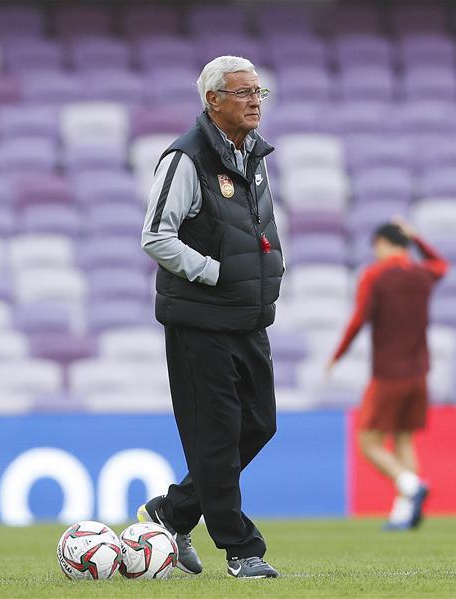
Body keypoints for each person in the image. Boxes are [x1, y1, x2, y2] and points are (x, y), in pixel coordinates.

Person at [139, 56, 285, 579]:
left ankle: (174, 513)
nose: (254, 102)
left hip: (248, 317)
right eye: (243, 93)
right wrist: (213, 273)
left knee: (260, 424)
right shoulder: (185, 157)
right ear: (213, 100)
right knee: (217, 437)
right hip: (201, 319)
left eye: (258, 92)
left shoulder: (254, 153)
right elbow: (156, 235)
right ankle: (241, 550)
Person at [327, 219, 448, 530]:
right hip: (419, 373)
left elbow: (358, 320)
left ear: (382, 243)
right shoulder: (422, 274)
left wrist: (337, 356)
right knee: (404, 439)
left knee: (368, 442)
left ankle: (411, 486)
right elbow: (442, 265)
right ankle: (404, 513)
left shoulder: (375, 276)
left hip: (387, 375)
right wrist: (417, 238)